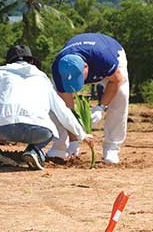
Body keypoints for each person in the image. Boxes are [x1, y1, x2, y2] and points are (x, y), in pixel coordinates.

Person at [0, 44, 90, 170]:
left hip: (0, 128)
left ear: (9, 61)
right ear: (31, 61)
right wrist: (82, 135)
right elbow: (62, 110)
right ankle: (34, 151)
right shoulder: (42, 77)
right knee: (50, 115)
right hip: (38, 132)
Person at [47, 33, 129, 165]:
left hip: (113, 55)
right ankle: (60, 146)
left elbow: (116, 81)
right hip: (82, 61)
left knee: (121, 95)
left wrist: (101, 107)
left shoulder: (103, 58)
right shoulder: (58, 67)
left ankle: (112, 147)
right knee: (55, 99)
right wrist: (74, 139)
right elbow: (66, 108)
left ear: (86, 67)